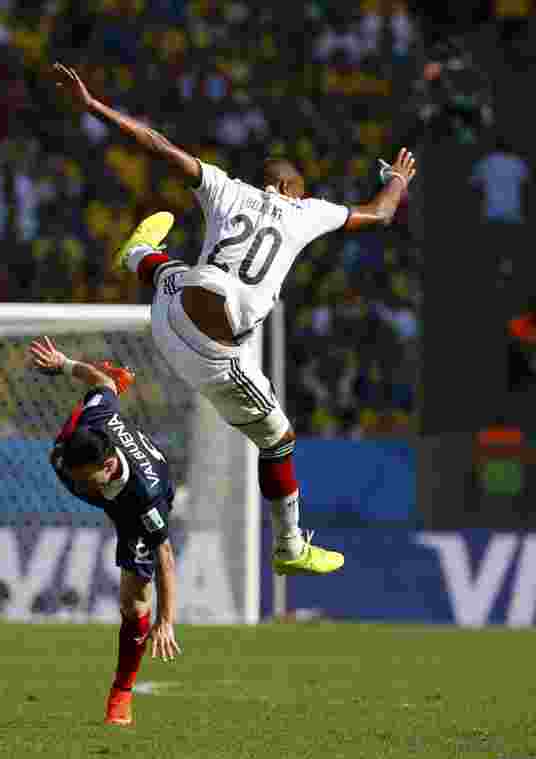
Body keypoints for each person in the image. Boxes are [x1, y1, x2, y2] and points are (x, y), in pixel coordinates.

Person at [52, 63, 418, 575]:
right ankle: (290, 546)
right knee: (279, 439)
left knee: (185, 274)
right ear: (292, 189)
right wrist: (397, 179)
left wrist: (93, 107)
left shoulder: (225, 188)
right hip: (214, 355)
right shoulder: (306, 211)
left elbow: (156, 144)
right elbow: (380, 215)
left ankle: (140, 258)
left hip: (170, 316)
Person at [29, 335, 180, 727]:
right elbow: (102, 384)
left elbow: (166, 555)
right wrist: (64, 363)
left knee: (133, 607)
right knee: (57, 451)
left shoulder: (144, 500)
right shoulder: (97, 421)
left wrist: (167, 619)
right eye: (76, 478)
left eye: (85, 480)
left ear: (109, 467)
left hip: (134, 507)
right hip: (98, 449)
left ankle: (122, 693)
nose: (77, 486)